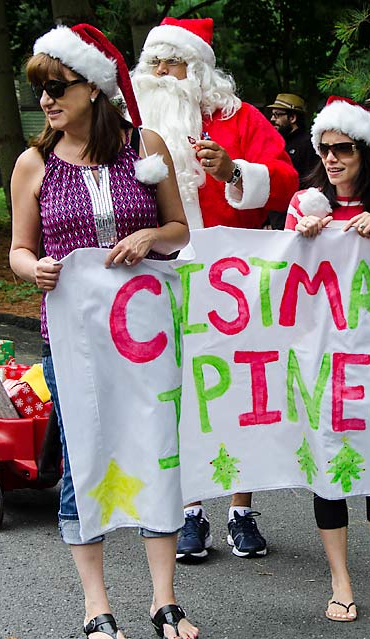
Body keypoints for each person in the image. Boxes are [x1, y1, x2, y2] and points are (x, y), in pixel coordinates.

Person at [9, 24, 198, 639]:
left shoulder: (144, 148)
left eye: (55, 87)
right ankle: (97, 605)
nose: (46, 102)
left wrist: (149, 238)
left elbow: (179, 230)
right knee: (84, 455)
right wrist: (29, 268)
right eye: (38, 91)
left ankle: (163, 597)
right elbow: (18, 248)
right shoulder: (33, 164)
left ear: (93, 85)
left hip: (145, 335)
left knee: (155, 450)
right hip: (72, 340)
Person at [132, 17, 298, 560]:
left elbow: (287, 183)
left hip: (234, 277)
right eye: (153, 62)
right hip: (160, 272)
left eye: (171, 62)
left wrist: (234, 170)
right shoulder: (130, 125)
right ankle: (188, 512)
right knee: (175, 393)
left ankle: (241, 510)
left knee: (238, 391)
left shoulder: (241, 118)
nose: (159, 72)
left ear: (198, 69)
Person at [286, 96, 370, 622]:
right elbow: (284, 280)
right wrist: (299, 241)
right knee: (330, 463)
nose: (332, 159)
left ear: (366, 152)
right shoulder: (305, 205)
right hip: (322, 356)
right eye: (325, 149)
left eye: (343, 149)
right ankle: (340, 580)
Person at [266, 93, 320, 230]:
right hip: (275, 220)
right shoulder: (276, 144)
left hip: (300, 220)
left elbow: (312, 183)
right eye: (272, 114)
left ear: (293, 117)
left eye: (277, 115)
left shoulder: (308, 144)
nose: (272, 119)